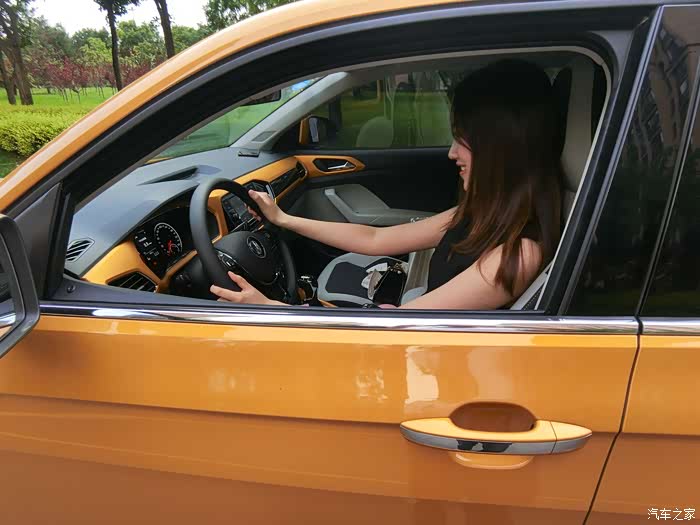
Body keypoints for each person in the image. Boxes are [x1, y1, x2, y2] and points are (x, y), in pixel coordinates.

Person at [211, 59, 563, 309]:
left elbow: (397, 328)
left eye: (463, 140)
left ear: (502, 148)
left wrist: (270, 309)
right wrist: (284, 219)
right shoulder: (482, 212)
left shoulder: (517, 255)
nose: (452, 153)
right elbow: (375, 239)